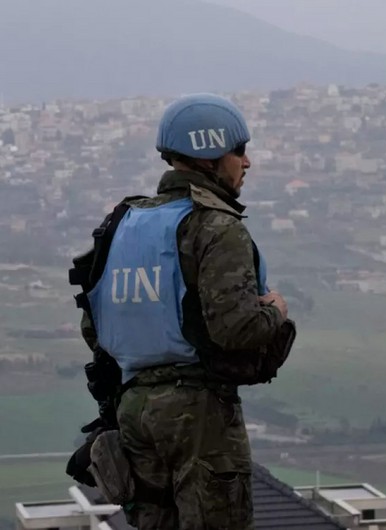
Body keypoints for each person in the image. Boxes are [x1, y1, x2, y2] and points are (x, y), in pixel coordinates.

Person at [65, 93, 296, 529]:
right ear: (210, 153)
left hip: (133, 411)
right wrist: (277, 312)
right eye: (239, 151)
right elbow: (236, 330)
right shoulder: (215, 225)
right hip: (198, 416)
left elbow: (95, 327)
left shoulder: (123, 224)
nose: (246, 163)